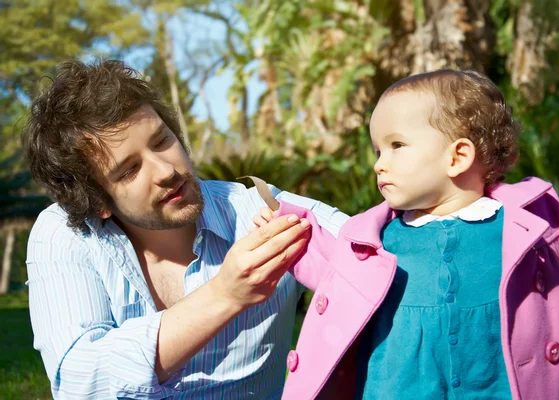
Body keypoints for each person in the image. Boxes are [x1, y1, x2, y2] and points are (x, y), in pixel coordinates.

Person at [253, 69, 559, 399]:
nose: (378, 164)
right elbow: (319, 257)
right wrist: (282, 230)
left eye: (396, 146)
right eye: (377, 151)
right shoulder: (370, 244)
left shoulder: (526, 223)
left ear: (458, 156)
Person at [22, 59, 348, 399]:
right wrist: (224, 296)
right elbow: (81, 381)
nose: (165, 170)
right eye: (130, 170)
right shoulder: (64, 234)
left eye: (162, 141)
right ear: (98, 202)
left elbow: (383, 257)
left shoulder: (265, 213)